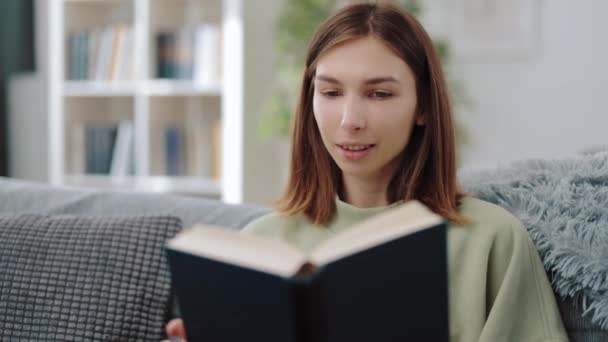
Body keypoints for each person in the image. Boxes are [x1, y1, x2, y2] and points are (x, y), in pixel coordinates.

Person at [166, 2, 569, 341]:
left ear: (424, 106)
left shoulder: (492, 239)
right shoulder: (262, 245)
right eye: (330, 92)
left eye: (379, 94)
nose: (350, 119)